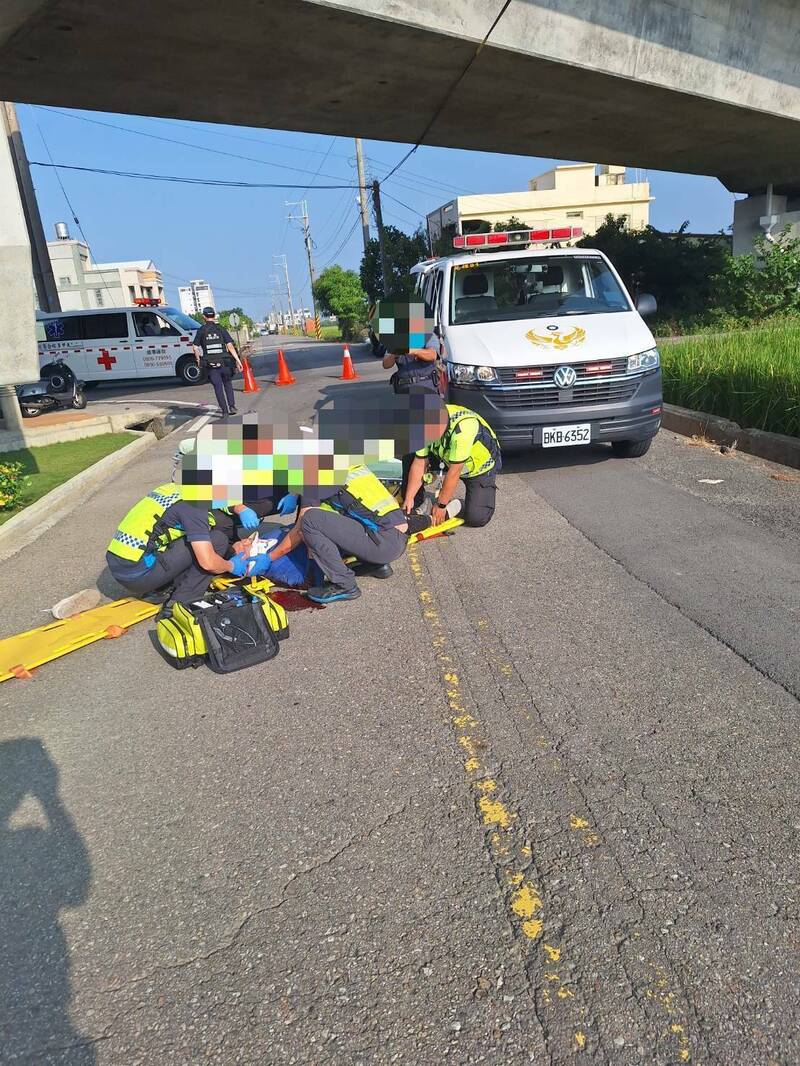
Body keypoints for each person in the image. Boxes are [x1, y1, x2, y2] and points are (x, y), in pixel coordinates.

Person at [263, 465, 412, 604]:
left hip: (382, 543)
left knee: (310, 519)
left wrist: (269, 558)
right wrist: (295, 493)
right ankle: (375, 565)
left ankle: (345, 585)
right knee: (329, 520)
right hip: (395, 538)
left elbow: (303, 526)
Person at [105, 483, 271, 607]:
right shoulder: (193, 508)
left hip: (121, 564)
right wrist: (232, 565)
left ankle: (162, 587)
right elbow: (208, 561)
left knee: (199, 540)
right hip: (138, 574)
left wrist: (235, 543)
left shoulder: (176, 490)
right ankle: (182, 602)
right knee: (217, 541)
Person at [403, 403, 501, 528]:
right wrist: (409, 497)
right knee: (410, 457)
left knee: (477, 518)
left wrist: (441, 505)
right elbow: (419, 462)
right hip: (447, 456)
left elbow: (455, 471)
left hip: (477, 468)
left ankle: (457, 505)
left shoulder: (464, 428)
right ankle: (415, 507)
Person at [192, 307, 243, 417]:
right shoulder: (221, 329)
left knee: (218, 387)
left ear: (204, 317)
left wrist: (198, 360)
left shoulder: (201, 330)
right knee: (228, 384)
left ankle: (224, 412)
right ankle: (232, 406)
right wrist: (238, 361)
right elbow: (230, 345)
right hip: (225, 363)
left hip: (211, 365)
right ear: (214, 316)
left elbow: (195, 347)